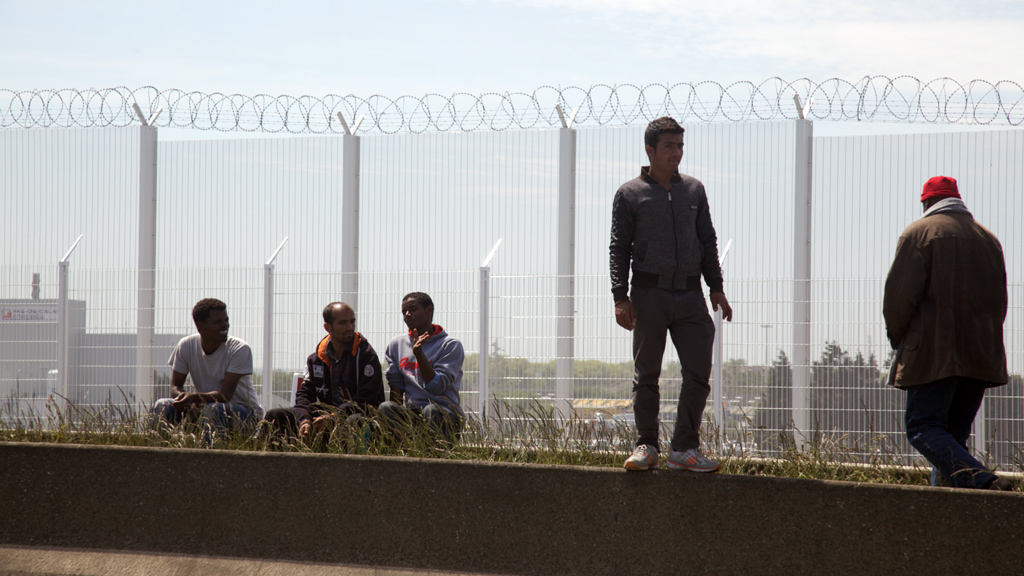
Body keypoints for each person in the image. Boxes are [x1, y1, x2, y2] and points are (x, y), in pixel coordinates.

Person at [609, 116, 733, 472]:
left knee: (698, 372)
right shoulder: (630, 194)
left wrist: (717, 287)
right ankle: (646, 446)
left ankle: (684, 448)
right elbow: (619, 247)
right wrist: (620, 296)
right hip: (649, 294)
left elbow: (707, 240)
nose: (676, 153)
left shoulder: (693, 190)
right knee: (647, 374)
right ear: (650, 150)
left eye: (680, 146)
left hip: (691, 294)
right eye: (668, 147)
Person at [883, 175, 1012, 490]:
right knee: (951, 439)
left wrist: (900, 340)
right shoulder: (988, 239)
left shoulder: (920, 233)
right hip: (980, 356)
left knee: (923, 428)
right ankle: (948, 507)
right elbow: (1000, 301)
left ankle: (982, 480)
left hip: (934, 354)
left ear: (927, 202)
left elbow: (899, 299)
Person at [264, 302, 384, 443]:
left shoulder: (367, 355)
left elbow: (367, 398)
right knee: (275, 415)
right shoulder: (315, 359)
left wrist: (335, 416)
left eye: (352, 322)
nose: (350, 327)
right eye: (343, 323)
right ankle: (275, 463)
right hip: (326, 416)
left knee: (353, 421)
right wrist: (305, 420)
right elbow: (304, 395)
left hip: (357, 415)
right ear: (327, 327)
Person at [152, 298, 263, 435]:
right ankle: (157, 454)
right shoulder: (186, 345)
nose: (225, 325)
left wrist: (194, 398)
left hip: (245, 415)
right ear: (200, 326)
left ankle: (211, 456)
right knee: (162, 405)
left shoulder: (239, 348)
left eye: (226, 320)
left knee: (214, 409)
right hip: (203, 408)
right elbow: (175, 387)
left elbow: (225, 395)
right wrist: (185, 400)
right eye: (217, 322)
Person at [379, 292, 464, 439]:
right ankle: (395, 458)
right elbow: (396, 387)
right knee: (386, 408)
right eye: (404, 311)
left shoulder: (450, 345)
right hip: (414, 415)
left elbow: (436, 387)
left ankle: (435, 459)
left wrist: (419, 355)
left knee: (431, 411)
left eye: (412, 309)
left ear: (428, 310)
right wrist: (395, 420)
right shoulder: (397, 344)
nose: (407, 315)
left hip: (444, 413)